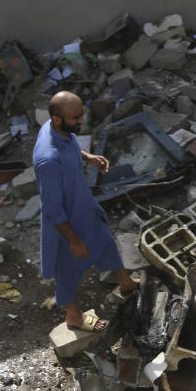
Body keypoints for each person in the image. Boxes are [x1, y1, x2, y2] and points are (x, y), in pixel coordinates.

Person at [34, 91, 139, 332]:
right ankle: (73, 316)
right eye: (76, 117)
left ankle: (125, 282)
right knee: (67, 269)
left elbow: (69, 145)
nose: (81, 121)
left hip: (84, 207)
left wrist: (88, 156)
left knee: (105, 240)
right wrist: (73, 240)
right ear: (58, 118)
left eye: (82, 114)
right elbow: (51, 208)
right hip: (67, 222)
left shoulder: (58, 129)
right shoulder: (47, 160)